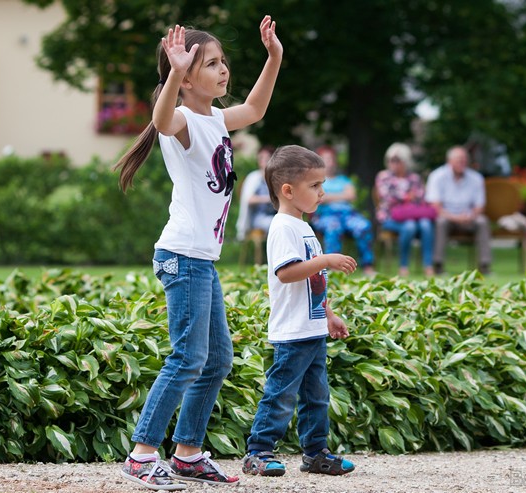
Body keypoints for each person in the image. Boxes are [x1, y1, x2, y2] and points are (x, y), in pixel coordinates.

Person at [113, 18, 282, 491]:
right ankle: (142, 453)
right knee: (188, 357)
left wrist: (274, 58)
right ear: (186, 78)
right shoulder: (183, 120)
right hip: (181, 254)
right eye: (211, 63)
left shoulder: (214, 118)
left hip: (200, 258)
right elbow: (162, 119)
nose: (223, 69)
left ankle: (187, 453)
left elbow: (253, 108)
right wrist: (174, 71)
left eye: (222, 60)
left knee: (217, 360)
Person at [241, 145, 357, 477]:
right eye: (315, 186)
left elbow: (314, 281)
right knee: (281, 395)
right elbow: (287, 272)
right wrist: (326, 260)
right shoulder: (282, 227)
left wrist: (329, 314)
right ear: (289, 191)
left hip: (313, 329)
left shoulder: (303, 227)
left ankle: (315, 452)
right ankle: (258, 452)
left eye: (322, 185)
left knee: (316, 397)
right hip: (292, 333)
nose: (323, 192)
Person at [425, 145, 491, 275]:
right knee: (440, 222)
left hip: (469, 217)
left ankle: (485, 265)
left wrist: (470, 216)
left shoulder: (476, 178)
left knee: (483, 221)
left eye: (465, 159)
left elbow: (480, 206)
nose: (462, 163)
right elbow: (435, 206)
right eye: (459, 160)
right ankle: (438, 265)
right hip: (446, 217)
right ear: (449, 161)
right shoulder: (437, 176)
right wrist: (455, 218)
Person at [311, 145, 375, 275]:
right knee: (333, 228)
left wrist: (328, 196)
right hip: (326, 215)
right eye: (325, 159)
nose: (329, 163)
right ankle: (333, 268)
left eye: (331, 159)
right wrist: (341, 196)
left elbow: (351, 195)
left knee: (364, 226)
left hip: (348, 215)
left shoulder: (343, 179)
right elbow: (317, 198)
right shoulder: (316, 181)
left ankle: (368, 266)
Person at [375, 143, 434, 276]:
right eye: (391, 160)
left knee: (426, 224)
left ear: (406, 161)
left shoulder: (414, 178)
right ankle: (403, 266)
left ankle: (428, 265)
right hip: (390, 217)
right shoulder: (383, 176)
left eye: (398, 160)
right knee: (410, 226)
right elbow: (386, 196)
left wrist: (403, 197)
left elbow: (422, 197)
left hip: (413, 215)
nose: (394, 163)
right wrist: (407, 196)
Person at [236, 145, 276, 240]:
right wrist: (268, 199)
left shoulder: (275, 178)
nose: (264, 161)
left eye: (267, 158)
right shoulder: (253, 178)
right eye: (261, 158)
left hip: (275, 214)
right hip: (259, 217)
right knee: (275, 224)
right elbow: (248, 199)